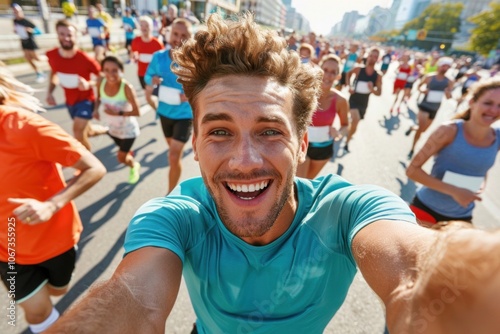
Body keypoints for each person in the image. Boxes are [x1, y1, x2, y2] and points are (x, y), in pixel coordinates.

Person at [44, 14, 500, 334]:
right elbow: (136, 303)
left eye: (269, 131)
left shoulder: (350, 209)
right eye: (219, 131)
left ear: (302, 144)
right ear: (196, 146)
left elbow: (414, 276)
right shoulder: (173, 216)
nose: (245, 160)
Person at [0, 65, 106, 334]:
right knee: (37, 312)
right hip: (8, 249)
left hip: (56, 239)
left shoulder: (26, 127)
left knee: (59, 290)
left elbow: (94, 167)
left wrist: (51, 204)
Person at [406, 78, 500, 227]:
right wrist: (455, 191)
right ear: (472, 103)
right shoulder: (448, 130)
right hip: (426, 210)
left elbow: (481, 164)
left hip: (461, 217)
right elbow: (412, 171)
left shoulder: (497, 136)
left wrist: (482, 182)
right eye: (488, 103)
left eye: (499, 105)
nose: (494, 110)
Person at [144, 18, 192, 194]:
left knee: (173, 155)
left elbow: (201, 84)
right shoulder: (158, 57)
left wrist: (191, 93)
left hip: (185, 114)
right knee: (173, 153)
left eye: (183, 35)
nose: (178, 39)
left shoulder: (193, 61)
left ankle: (170, 194)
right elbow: (148, 77)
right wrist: (152, 80)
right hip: (164, 112)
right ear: (169, 34)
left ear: (189, 38)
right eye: (175, 34)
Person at [46, 19, 102, 151]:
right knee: (86, 131)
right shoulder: (52, 55)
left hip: (86, 101)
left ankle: (89, 165)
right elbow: (54, 74)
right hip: (70, 102)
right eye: (62, 34)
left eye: (69, 34)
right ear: (57, 35)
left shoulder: (85, 59)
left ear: (76, 36)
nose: (66, 38)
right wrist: (50, 92)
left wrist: (89, 84)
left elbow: (103, 78)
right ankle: (101, 130)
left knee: (77, 133)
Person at [297, 54, 349, 179]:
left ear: (338, 76)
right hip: (301, 144)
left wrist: (338, 133)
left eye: (333, 72)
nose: (328, 75)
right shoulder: (304, 92)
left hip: (323, 148)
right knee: (298, 185)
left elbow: (345, 125)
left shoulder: (341, 100)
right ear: (319, 70)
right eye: (325, 70)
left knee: (308, 185)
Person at [94, 56, 142, 184]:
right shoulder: (101, 82)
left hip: (128, 131)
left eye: (115, 70)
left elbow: (137, 112)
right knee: (124, 153)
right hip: (113, 129)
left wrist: (117, 112)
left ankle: (134, 166)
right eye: (107, 70)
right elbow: (98, 98)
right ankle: (127, 153)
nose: (110, 74)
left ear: (121, 71)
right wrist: (95, 110)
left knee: (121, 158)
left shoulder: (126, 87)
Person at [405, 57, 454, 159]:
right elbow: (419, 86)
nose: (445, 68)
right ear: (439, 66)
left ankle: (412, 127)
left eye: (447, 67)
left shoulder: (449, 81)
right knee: (420, 130)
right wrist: (424, 90)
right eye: (444, 66)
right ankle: (412, 149)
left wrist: (448, 93)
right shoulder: (430, 77)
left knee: (422, 130)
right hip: (424, 106)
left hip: (435, 108)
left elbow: (449, 97)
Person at [344, 48, 382, 152]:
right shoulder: (358, 69)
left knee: (355, 124)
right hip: (354, 99)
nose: (372, 58)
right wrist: (349, 86)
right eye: (371, 55)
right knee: (355, 120)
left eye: (375, 56)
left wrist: (372, 90)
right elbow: (348, 74)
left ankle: (349, 135)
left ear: (378, 59)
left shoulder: (378, 75)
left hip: (364, 103)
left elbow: (379, 93)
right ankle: (346, 143)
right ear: (367, 56)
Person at [12, 4, 46, 83]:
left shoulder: (26, 21)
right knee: (28, 59)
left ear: (21, 11)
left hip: (30, 41)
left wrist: (32, 31)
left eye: (17, 11)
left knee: (37, 58)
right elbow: (17, 30)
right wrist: (16, 31)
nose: (16, 13)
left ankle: (50, 57)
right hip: (23, 41)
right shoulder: (15, 21)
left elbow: (39, 32)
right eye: (14, 11)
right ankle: (39, 73)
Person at [131, 16, 164, 90]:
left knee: (149, 95)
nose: (144, 28)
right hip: (141, 73)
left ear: (151, 27)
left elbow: (163, 60)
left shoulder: (157, 43)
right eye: (142, 25)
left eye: (147, 25)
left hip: (153, 75)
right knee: (147, 94)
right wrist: (134, 57)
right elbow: (133, 55)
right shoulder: (135, 41)